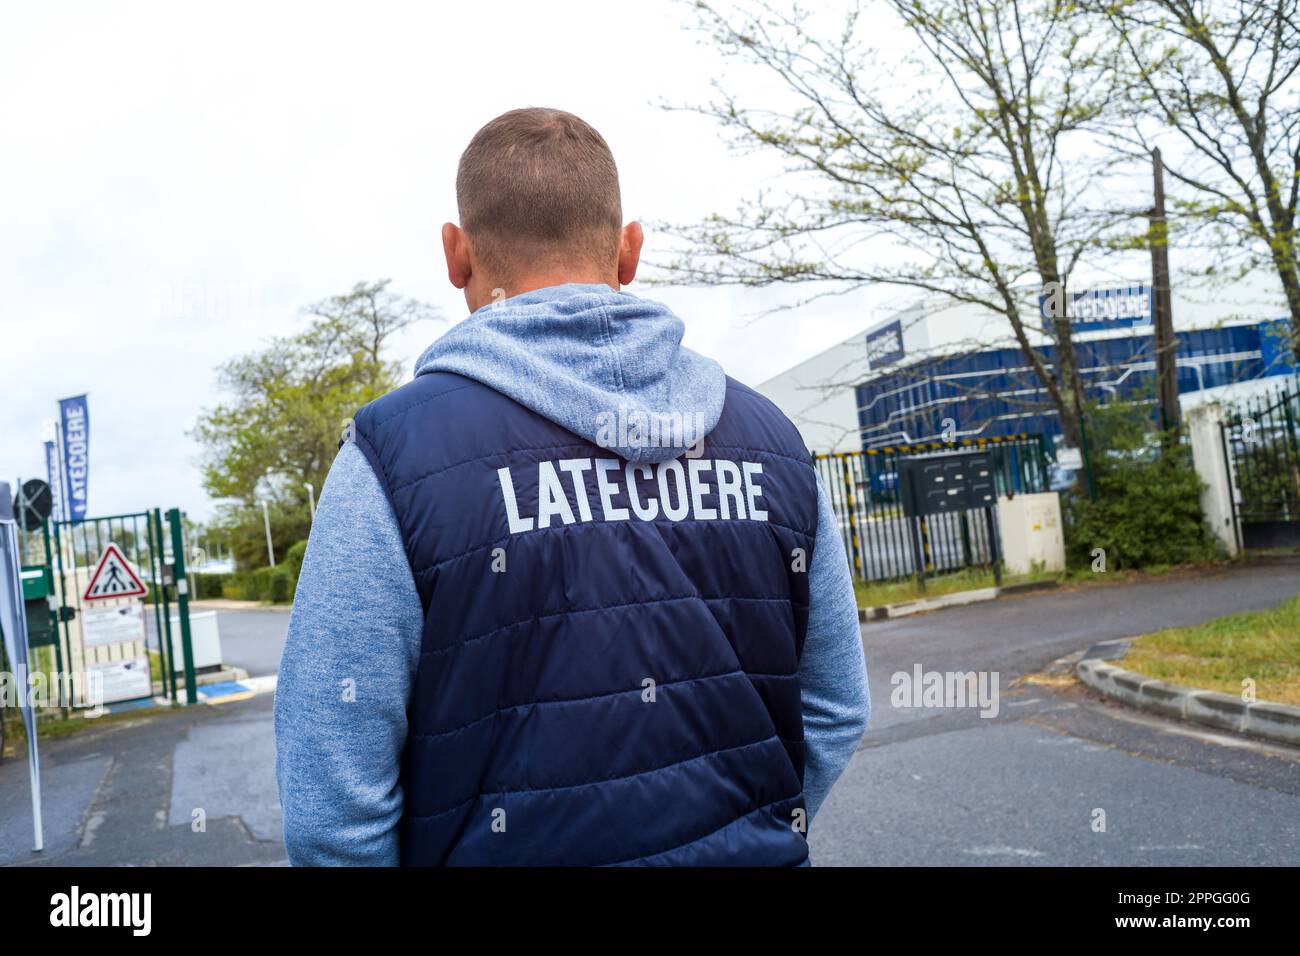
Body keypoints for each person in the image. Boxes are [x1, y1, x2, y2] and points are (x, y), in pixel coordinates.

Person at [274, 107, 869, 866]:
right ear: (630, 249)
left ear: (456, 254)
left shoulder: (392, 457)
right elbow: (837, 709)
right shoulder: (776, 442)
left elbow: (332, 801)